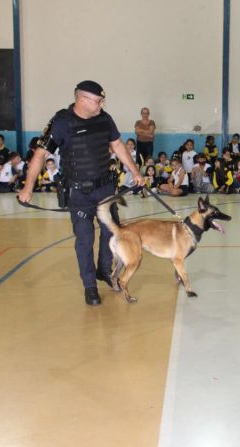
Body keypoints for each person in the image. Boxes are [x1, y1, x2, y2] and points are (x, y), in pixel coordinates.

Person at [18, 80, 144, 306]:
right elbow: (39, 155)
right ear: (83, 99)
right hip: (79, 194)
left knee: (112, 234)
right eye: (98, 100)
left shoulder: (105, 118)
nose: (102, 104)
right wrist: (28, 187)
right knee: (85, 239)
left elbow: (117, 146)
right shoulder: (61, 122)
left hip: (105, 188)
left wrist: (135, 172)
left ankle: (104, 270)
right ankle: (90, 286)